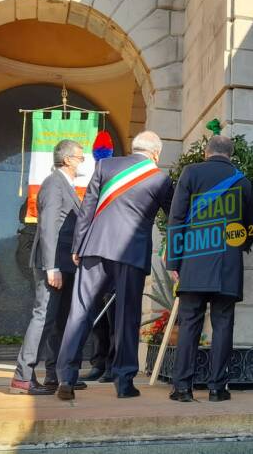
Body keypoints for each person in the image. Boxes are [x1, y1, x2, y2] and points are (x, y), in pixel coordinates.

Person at [55, 131, 173, 400]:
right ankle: (123, 382)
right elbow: (175, 216)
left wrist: (78, 246)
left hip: (95, 247)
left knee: (81, 311)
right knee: (127, 317)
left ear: (134, 149)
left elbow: (88, 208)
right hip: (131, 253)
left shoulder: (105, 166)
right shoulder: (160, 178)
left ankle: (67, 378)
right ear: (156, 153)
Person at [166, 135, 253, 403]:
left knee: (189, 324)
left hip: (194, 258)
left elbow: (177, 217)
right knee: (223, 324)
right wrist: (238, 247)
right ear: (231, 154)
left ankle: (183, 388)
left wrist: (174, 261)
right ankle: (217, 389)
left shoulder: (191, 172)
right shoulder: (242, 181)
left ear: (206, 151)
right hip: (228, 264)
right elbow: (251, 226)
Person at [11, 140, 89, 394]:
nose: (82, 162)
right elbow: (48, 227)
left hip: (65, 264)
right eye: (80, 157)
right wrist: (52, 267)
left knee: (59, 321)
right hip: (52, 264)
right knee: (43, 317)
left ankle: (56, 374)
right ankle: (23, 376)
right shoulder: (54, 184)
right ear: (67, 160)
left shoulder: (65, 185)